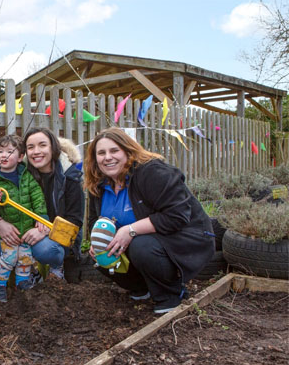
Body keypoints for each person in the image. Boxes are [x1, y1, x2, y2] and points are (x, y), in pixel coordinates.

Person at [84, 127, 215, 314]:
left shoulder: (151, 172)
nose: (107, 157)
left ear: (128, 151)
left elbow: (177, 215)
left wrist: (129, 230)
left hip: (182, 237)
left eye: (114, 151)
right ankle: (141, 288)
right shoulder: (99, 184)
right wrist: (97, 241)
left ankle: (170, 295)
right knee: (102, 252)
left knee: (141, 246)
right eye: (101, 153)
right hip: (140, 240)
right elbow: (93, 220)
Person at [0, 127, 86, 283]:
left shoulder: (70, 176)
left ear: (53, 148)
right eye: (30, 147)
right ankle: (31, 269)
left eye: (42, 145)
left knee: (45, 249)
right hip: (25, 228)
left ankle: (56, 267)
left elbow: (75, 220)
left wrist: (46, 230)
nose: (36, 151)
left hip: (58, 236)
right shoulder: (20, 174)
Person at [0, 135, 48, 302]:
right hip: (8, 233)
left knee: (25, 259)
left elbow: (37, 197)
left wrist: (41, 216)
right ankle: (0, 287)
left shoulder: (26, 176)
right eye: (0, 151)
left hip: (26, 231)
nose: (3, 155)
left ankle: (22, 285)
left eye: (9, 152)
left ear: (20, 157)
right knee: (9, 258)